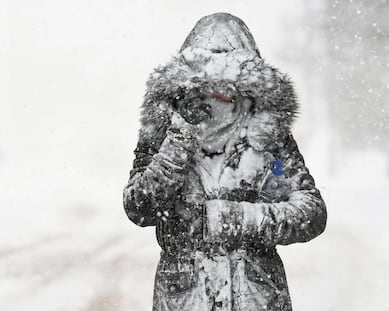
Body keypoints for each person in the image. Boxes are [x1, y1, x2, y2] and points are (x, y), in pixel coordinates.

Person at [123, 12, 327, 311]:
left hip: (256, 298)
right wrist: (179, 141)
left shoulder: (267, 135)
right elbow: (139, 207)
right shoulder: (165, 132)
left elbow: (311, 213)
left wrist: (231, 220)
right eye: (206, 83)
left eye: (227, 82)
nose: (216, 94)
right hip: (185, 299)